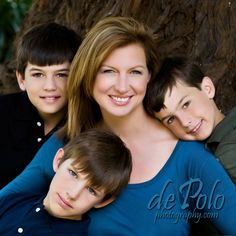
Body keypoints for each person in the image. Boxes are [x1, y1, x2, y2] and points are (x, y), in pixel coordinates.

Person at [1, 17, 236, 235]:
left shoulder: (188, 158)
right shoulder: (69, 142)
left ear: (148, 77)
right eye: (108, 71)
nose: (122, 87)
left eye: (134, 72)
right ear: (88, 75)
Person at [0, 128, 132, 236]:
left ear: (103, 201)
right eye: (73, 173)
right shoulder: (13, 201)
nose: (73, 194)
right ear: (59, 160)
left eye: (91, 190)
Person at [0, 22, 81, 188]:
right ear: (21, 79)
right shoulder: (2, 112)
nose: (50, 86)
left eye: (61, 74)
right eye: (38, 74)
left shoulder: (88, 124)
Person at [144, 56, 236, 184]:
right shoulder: (194, 156)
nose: (185, 122)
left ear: (207, 88)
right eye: (170, 119)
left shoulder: (228, 151)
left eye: (185, 104)